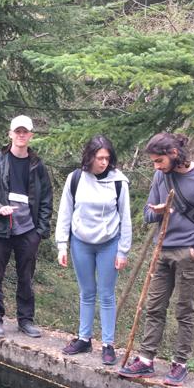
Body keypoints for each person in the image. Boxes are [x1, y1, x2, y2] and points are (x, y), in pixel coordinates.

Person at [119, 132, 194, 385]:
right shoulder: (160, 176)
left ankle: (180, 363)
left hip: (188, 253)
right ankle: (146, 360)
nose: (156, 167)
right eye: (154, 162)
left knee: (184, 309)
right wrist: (156, 212)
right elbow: (148, 215)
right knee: (154, 306)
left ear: (174, 154)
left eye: (159, 161)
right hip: (162, 249)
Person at [56, 136, 132, 366]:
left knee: (106, 294)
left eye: (107, 158)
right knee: (86, 291)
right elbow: (65, 212)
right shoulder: (76, 179)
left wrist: (123, 251)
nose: (104, 163)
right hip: (81, 242)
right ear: (89, 157)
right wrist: (62, 244)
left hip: (109, 242)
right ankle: (84, 338)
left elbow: (125, 219)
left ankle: (108, 344)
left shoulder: (119, 182)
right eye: (99, 158)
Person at [0, 114, 53, 339]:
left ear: (30, 135)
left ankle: (26, 320)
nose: (21, 135)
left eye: (25, 132)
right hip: (0, 229)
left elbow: (47, 199)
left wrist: (40, 231)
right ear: (10, 134)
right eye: (17, 131)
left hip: (28, 231)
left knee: (26, 277)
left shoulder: (37, 165)